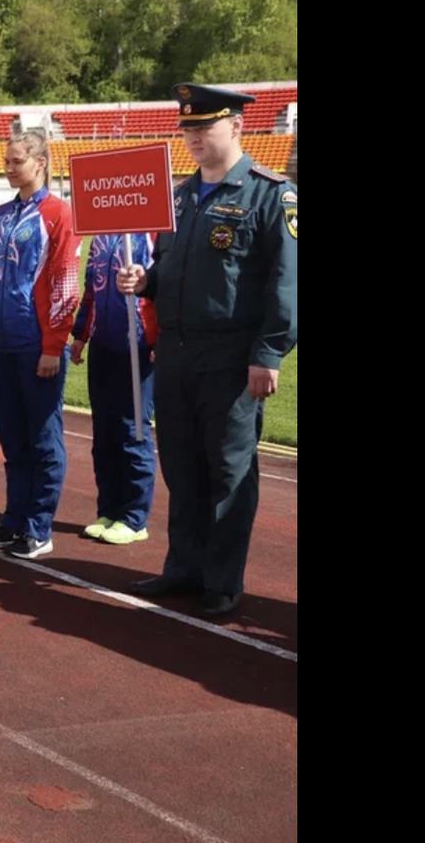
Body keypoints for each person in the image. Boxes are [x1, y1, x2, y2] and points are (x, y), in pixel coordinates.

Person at [116, 83, 298, 617]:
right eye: (188, 128)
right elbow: (173, 269)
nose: (193, 137)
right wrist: (145, 281)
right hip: (174, 353)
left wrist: (268, 353)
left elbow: (286, 284)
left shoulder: (271, 195)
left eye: (205, 126)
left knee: (227, 471)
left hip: (229, 356)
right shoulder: (180, 196)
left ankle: (221, 580)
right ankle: (184, 568)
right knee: (181, 465)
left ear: (237, 126)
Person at [0, 131, 80, 560]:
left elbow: (65, 283)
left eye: (17, 161)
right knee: (13, 438)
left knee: (42, 437)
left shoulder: (58, 214)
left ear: (40, 162)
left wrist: (54, 344)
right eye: (7, 160)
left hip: (37, 342)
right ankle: (13, 520)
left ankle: (39, 526)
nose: (8, 167)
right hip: (1, 342)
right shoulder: (0, 215)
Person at [71, 216, 160, 546]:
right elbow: (92, 289)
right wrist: (81, 333)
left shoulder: (155, 230)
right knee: (104, 430)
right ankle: (109, 509)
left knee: (133, 428)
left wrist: (157, 338)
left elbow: (161, 288)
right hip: (104, 344)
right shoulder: (102, 235)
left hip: (137, 345)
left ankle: (135, 518)